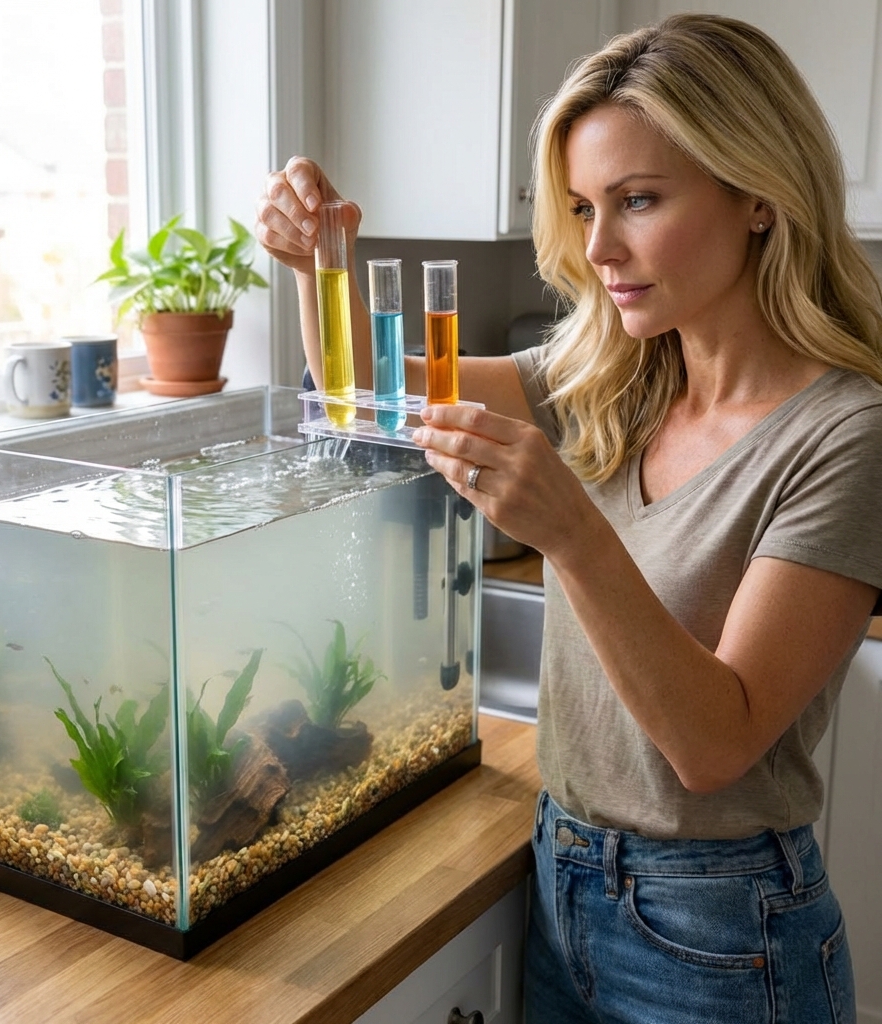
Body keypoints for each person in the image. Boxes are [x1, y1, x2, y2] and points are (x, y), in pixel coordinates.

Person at [255, 13, 882, 1022]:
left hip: (724, 930)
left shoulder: (846, 433)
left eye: (637, 200)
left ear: (758, 194)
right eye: (585, 206)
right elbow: (366, 400)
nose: (598, 247)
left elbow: (714, 746)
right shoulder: (613, 376)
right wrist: (319, 267)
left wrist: (572, 534)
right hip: (565, 877)